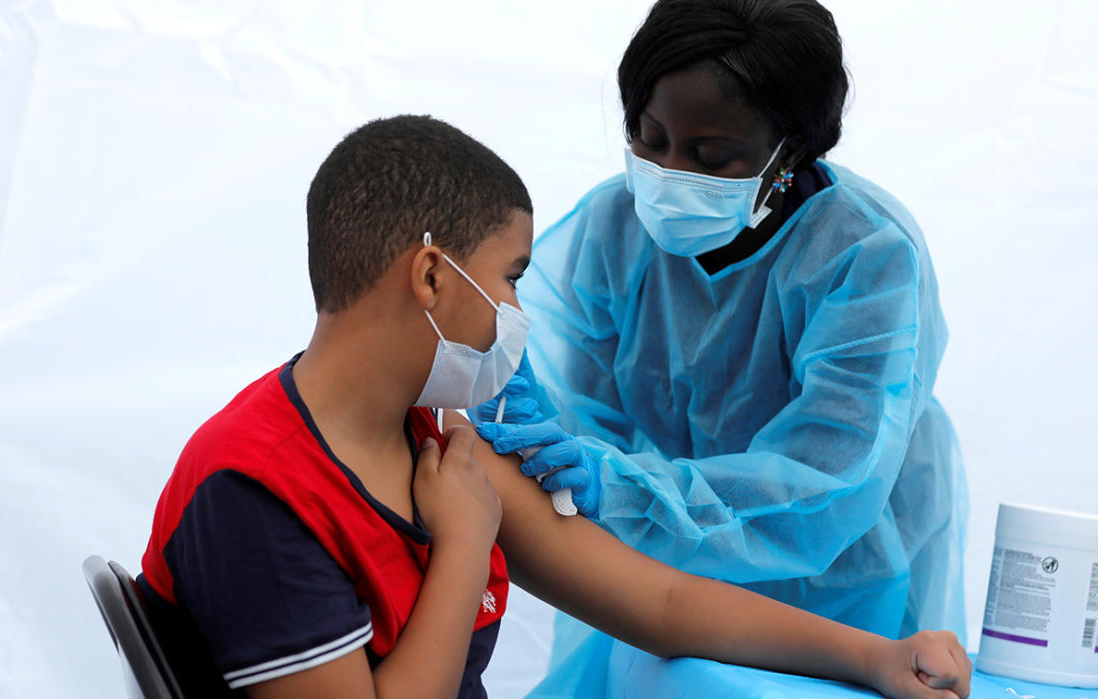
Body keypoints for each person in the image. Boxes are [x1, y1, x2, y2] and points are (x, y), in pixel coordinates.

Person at [136, 115, 971, 699]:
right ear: (431, 278)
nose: (519, 315)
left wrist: (879, 657)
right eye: (509, 279)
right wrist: (465, 543)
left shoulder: (437, 438)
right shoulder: (256, 491)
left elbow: (662, 604)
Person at [471, 0, 968, 693]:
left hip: (836, 572)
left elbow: (823, 487)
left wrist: (618, 486)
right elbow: (566, 411)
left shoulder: (866, 256)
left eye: (712, 156)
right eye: (648, 138)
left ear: (789, 152)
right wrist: (559, 448)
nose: (668, 172)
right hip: (656, 565)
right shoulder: (615, 228)